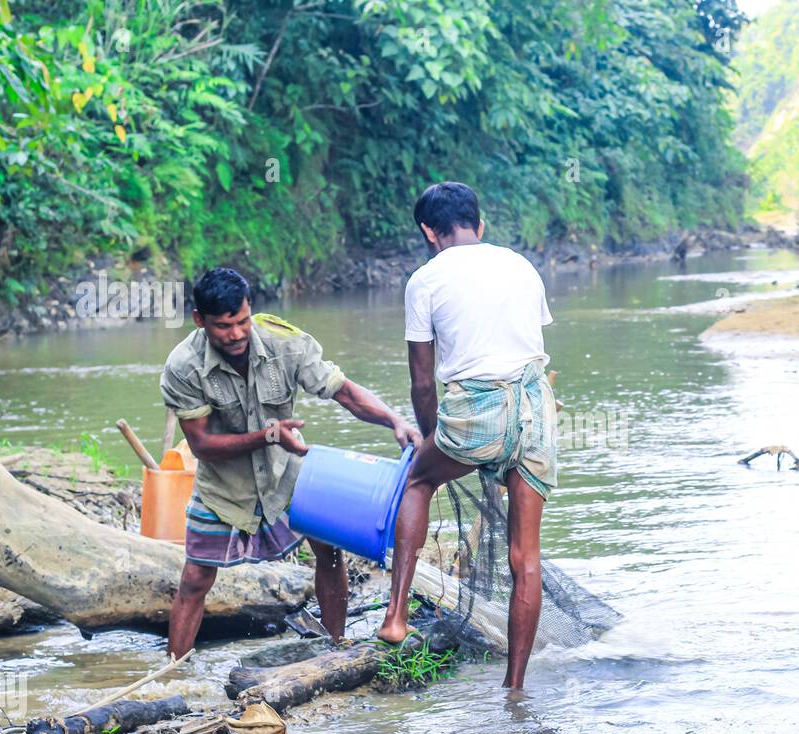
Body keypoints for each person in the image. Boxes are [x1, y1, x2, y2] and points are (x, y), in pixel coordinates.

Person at [160, 267, 419, 659]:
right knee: (195, 579)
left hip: (289, 474)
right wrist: (267, 435)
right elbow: (203, 445)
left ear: (251, 310)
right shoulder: (184, 365)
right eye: (223, 326)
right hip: (222, 488)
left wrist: (394, 420)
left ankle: (333, 651)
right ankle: (173, 671)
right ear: (199, 320)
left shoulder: (286, 343)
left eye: (243, 321)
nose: (236, 334)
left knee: (329, 553)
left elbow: (344, 393)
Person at [376, 182, 558, 690]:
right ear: (478, 225)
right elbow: (528, 345)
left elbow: (420, 379)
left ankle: (394, 616)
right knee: (526, 557)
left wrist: (434, 436)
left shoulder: (425, 280)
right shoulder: (521, 265)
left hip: (476, 410)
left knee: (417, 482)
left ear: (429, 232)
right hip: (533, 411)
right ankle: (514, 688)